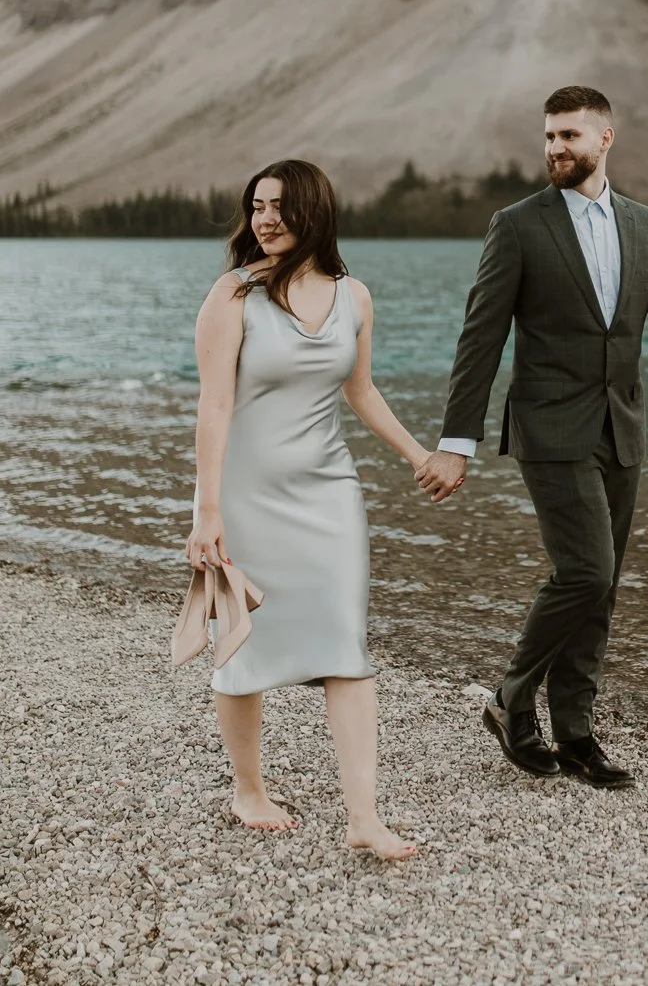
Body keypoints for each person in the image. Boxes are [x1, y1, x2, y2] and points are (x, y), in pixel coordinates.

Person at [417, 87, 648, 789]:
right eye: (548, 137)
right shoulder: (517, 226)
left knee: (602, 589)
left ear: (606, 138)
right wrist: (458, 441)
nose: (555, 148)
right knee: (585, 572)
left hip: (620, 429)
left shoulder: (647, 225)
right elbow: (481, 337)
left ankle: (574, 731)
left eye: (569, 135)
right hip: (548, 428)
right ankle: (514, 697)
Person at [186, 159, 434, 855]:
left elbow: (362, 392)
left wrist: (417, 456)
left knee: (345, 647)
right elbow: (215, 402)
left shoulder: (355, 297)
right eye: (257, 206)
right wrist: (207, 509)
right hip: (244, 494)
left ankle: (365, 818)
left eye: (280, 206)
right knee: (245, 644)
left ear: (314, 212)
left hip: (329, 492)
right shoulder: (232, 295)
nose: (265, 218)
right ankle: (248, 789)